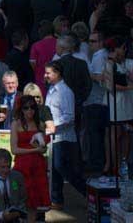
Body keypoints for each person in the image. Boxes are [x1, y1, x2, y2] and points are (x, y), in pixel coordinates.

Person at [43, 62, 86, 209]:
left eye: (48, 73)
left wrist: (52, 126)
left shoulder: (65, 92)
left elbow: (69, 117)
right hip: (54, 137)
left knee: (63, 168)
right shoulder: (51, 90)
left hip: (65, 138)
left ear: (57, 73)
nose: (45, 75)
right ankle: (57, 201)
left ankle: (87, 191)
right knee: (55, 170)